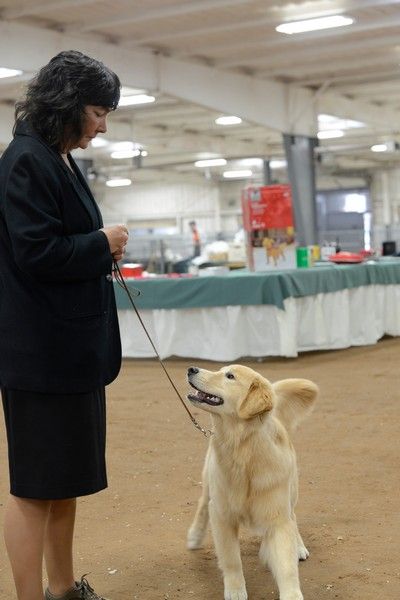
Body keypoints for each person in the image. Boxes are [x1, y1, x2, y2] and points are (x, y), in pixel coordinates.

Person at [0, 50, 129, 600]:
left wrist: (99, 246)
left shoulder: (57, 157)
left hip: (67, 351)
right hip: (40, 355)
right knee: (34, 489)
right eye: (98, 113)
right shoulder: (26, 160)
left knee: (63, 482)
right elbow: (37, 253)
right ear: (68, 104)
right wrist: (101, 243)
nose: (103, 126)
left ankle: (61, 588)